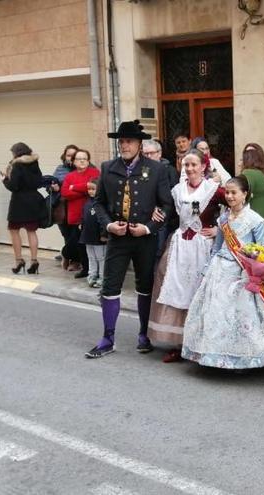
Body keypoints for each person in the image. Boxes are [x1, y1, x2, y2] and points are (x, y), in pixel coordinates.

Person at [85, 120, 175, 359]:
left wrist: (148, 228)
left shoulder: (156, 169)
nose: (124, 145)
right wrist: (108, 224)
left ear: (139, 144)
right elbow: (99, 203)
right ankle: (107, 338)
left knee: (144, 288)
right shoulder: (107, 167)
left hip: (144, 238)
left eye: (129, 141)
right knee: (109, 287)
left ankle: (144, 334)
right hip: (118, 238)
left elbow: (167, 205)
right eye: (121, 141)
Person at [181, 176, 264, 369]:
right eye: (227, 192)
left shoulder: (255, 220)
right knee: (215, 313)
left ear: (245, 195)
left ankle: (244, 358)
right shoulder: (223, 218)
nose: (230, 196)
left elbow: (263, 249)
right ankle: (213, 355)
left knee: (241, 315)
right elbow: (217, 247)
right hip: (220, 270)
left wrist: (252, 256)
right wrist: (207, 269)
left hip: (242, 272)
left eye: (234, 192)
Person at [148, 149, 226, 362]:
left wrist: (220, 229)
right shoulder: (177, 190)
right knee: (178, 292)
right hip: (181, 247)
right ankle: (179, 343)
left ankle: (200, 343)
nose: (190, 169)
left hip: (203, 247)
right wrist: (155, 211)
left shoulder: (215, 190)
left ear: (203, 166)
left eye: (193, 164)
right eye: (186, 165)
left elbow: (237, 206)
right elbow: (166, 211)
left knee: (199, 292)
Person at [2, 143, 45, 275]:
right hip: (34, 200)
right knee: (31, 231)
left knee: (14, 230)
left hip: (19, 202)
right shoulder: (34, 163)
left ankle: (19, 260)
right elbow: (39, 182)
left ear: (16, 153)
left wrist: (4, 179)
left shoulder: (16, 165)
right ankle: (34, 261)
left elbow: (13, 186)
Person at [61, 149, 101, 278]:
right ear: (73, 161)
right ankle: (85, 269)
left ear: (88, 161)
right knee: (79, 245)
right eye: (79, 159)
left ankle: (95, 271)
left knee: (93, 245)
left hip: (92, 215)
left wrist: (74, 187)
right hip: (75, 215)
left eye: (85, 158)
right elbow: (65, 193)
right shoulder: (69, 176)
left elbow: (95, 187)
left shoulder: (95, 172)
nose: (82, 161)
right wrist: (84, 189)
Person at [142, 139, 179, 263]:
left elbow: (172, 195)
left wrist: (160, 210)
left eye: (151, 153)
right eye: (145, 154)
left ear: (159, 153)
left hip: (162, 218)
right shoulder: (140, 170)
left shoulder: (170, 171)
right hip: (143, 217)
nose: (148, 156)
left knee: (159, 252)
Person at [52, 145, 79, 267]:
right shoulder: (59, 169)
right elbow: (50, 186)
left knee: (75, 234)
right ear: (65, 156)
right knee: (66, 234)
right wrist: (54, 188)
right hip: (62, 208)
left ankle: (71, 257)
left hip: (77, 207)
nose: (71, 158)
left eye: (74, 155)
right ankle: (69, 256)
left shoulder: (84, 167)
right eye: (69, 155)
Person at [80, 178, 106, 288]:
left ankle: (102, 277)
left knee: (101, 257)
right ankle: (92, 275)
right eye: (89, 189)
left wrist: (104, 234)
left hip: (99, 236)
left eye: (93, 189)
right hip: (88, 235)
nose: (90, 191)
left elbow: (104, 221)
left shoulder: (103, 203)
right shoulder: (87, 203)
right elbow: (84, 216)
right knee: (91, 256)